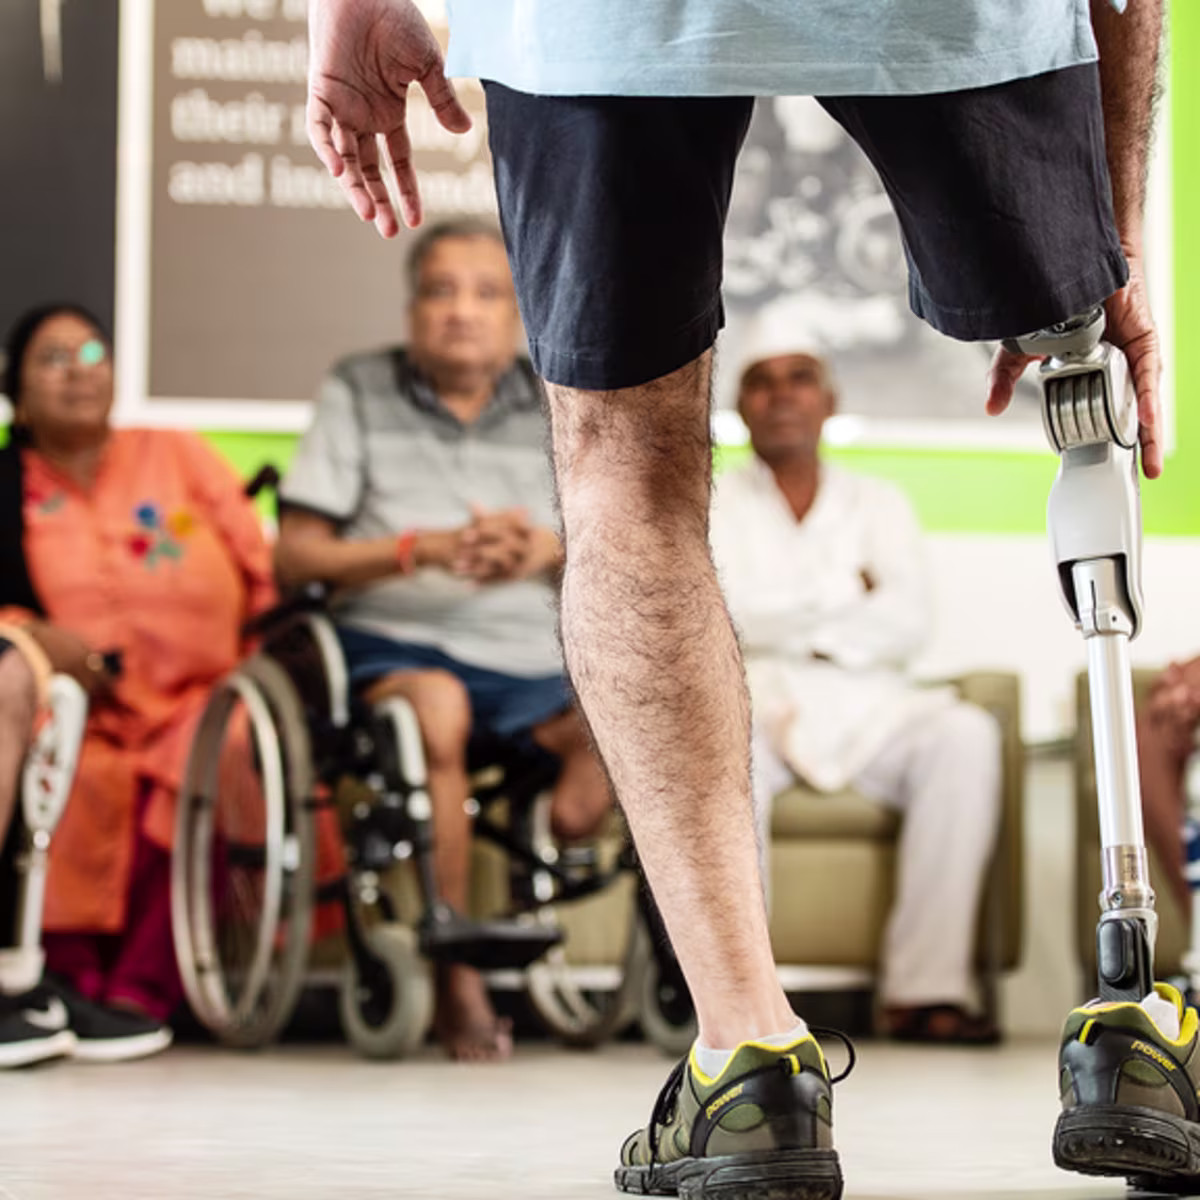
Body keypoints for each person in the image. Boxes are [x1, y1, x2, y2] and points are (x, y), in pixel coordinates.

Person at [304, 1, 1165, 1194]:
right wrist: (1110, 238)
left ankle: (750, 1063)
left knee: (622, 475)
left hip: (603, 25)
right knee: (1078, 369)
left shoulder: (870, 506)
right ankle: (1138, 1022)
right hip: (964, 17)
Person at [274, 219, 611, 1061]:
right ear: (413, 307)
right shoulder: (361, 387)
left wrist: (547, 550)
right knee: (439, 703)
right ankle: (458, 975)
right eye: (442, 290)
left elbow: (618, 545)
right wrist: (411, 549)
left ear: (520, 312)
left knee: (628, 701)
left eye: (488, 293)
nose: (463, 311)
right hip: (395, 646)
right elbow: (293, 559)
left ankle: (580, 791)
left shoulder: (554, 396)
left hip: (528, 657)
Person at [0, 304, 276, 1067]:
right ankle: (68, 980)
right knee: (75, 772)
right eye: (52, 357)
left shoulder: (177, 453)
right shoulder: (8, 481)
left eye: (91, 350)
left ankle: (142, 989)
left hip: (201, 696)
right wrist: (34, 628)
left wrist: (264, 658)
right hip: (79, 708)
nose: (79, 367)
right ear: (16, 392)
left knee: (218, 751)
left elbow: (259, 568)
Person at [713, 343, 1002, 1043]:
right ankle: (746, 1004)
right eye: (761, 383)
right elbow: (720, 615)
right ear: (738, 408)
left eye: (800, 379)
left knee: (965, 737)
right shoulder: (711, 497)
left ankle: (924, 993)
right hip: (759, 698)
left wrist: (789, 624)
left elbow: (906, 623)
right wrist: (846, 591)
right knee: (719, 743)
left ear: (830, 402)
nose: (782, 395)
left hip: (868, 703)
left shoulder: (880, 502)